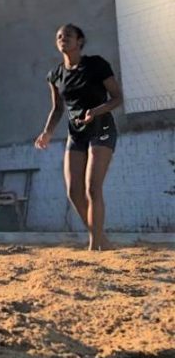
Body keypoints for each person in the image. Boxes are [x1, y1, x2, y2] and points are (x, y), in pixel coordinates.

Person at [34, 24, 122, 251]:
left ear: (80, 41)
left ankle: (95, 246)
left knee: (93, 188)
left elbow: (117, 98)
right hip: (76, 134)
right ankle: (101, 239)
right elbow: (57, 109)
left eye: (68, 36)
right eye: (59, 36)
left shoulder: (96, 64)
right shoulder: (55, 75)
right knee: (74, 192)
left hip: (101, 128)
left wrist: (95, 111)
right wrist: (47, 132)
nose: (63, 39)